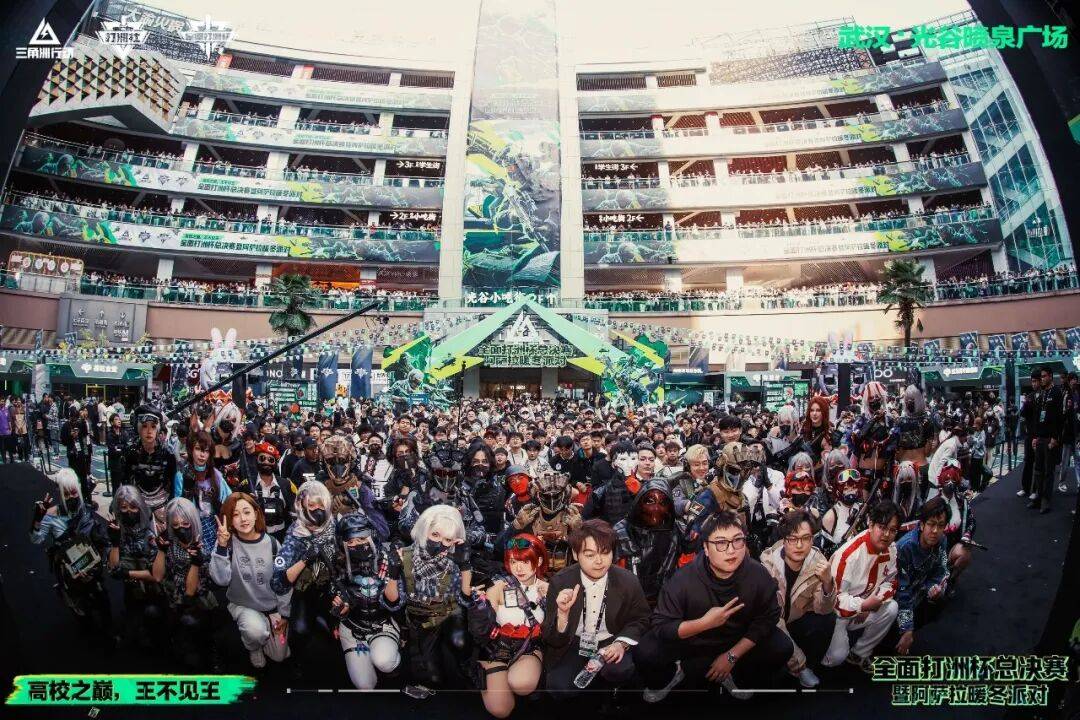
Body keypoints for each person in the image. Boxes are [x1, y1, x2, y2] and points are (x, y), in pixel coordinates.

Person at [635, 510, 793, 702]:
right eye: (721, 543)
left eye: (737, 540)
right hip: (691, 641)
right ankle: (673, 673)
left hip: (736, 638)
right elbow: (661, 626)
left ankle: (739, 674)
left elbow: (768, 617)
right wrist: (704, 623)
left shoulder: (757, 574)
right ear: (706, 548)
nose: (731, 550)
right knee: (646, 651)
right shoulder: (683, 580)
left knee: (782, 647)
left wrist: (732, 656)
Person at [541, 519, 650, 698]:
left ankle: (611, 692)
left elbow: (641, 619)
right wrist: (563, 613)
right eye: (590, 555)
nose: (599, 561)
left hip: (611, 640)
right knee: (558, 686)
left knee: (619, 670)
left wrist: (621, 643)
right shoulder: (561, 582)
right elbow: (551, 638)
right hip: (574, 642)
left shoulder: (627, 580)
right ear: (575, 554)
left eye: (605, 553)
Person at [386, 504, 473, 688]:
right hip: (421, 620)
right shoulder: (405, 556)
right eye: (435, 535)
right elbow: (393, 603)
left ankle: (465, 661)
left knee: (460, 642)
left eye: (447, 539)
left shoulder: (454, 558)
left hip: (449, 613)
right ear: (424, 530)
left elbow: (464, 600)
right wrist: (393, 575)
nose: (440, 543)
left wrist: (465, 567)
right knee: (434, 680)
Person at [30, 468, 114, 647]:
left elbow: (100, 538)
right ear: (60, 493)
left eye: (74, 492)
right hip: (68, 569)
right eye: (66, 494)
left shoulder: (86, 509)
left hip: (91, 563)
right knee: (82, 614)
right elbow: (36, 539)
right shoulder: (51, 515)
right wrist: (37, 519)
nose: (71, 497)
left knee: (103, 600)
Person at [470, 533, 549, 718]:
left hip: (529, 647)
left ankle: (527, 679)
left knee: (521, 683)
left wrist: (549, 602)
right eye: (513, 562)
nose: (519, 568)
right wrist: (479, 607)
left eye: (525, 561)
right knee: (500, 710)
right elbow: (480, 631)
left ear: (538, 561)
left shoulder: (549, 588)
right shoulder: (498, 586)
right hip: (497, 648)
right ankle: (500, 679)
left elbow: (557, 631)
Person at [210, 492, 291, 669]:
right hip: (243, 605)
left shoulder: (273, 544)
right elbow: (220, 580)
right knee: (255, 633)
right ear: (230, 520)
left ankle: (265, 630)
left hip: (271, 607)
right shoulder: (226, 542)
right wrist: (221, 546)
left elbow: (284, 583)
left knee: (279, 656)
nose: (243, 519)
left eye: (246, 512)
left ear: (256, 513)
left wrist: (284, 614)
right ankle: (254, 646)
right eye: (235, 515)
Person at [759, 509, 837, 688]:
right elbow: (771, 617)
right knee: (772, 677)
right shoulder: (767, 565)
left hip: (796, 619)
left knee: (828, 619)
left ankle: (808, 665)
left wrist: (827, 582)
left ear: (812, 539)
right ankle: (798, 667)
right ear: (784, 540)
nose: (799, 545)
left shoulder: (818, 561)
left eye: (805, 538)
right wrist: (799, 662)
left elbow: (824, 609)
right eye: (793, 539)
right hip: (772, 625)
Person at [822, 500, 900, 673]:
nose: (887, 535)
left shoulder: (891, 549)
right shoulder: (849, 555)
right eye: (882, 527)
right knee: (835, 659)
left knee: (892, 608)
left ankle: (859, 653)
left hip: (865, 605)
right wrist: (862, 605)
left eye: (892, 530)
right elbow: (834, 601)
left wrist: (873, 600)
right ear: (870, 524)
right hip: (837, 614)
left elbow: (891, 582)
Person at [271, 480, 339, 677]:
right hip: (304, 591)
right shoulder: (294, 537)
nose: (317, 510)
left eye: (321, 505)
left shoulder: (334, 526)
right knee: (300, 630)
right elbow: (278, 583)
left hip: (331, 589)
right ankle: (296, 660)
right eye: (311, 505)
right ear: (301, 506)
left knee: (336, 634)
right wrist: (304, 559)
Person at [329, 512, 402, 690]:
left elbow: (395, 603)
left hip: (382, 624)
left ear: (371, 536)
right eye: (350, 541)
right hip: (352, 628)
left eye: (361, 539)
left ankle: (392, 660)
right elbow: (332, 595)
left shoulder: (388, 558)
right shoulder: (337, 562)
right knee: (365, 685)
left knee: (384, 661)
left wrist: (394, 574)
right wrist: (340, 608)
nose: (356, 544)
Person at [152, 497, 219, 669]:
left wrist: (196, 562)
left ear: (193, 521)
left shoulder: (204, 542)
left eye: (185, 523)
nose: (181, 528)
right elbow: (157, 576)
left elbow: (191, 591)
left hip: (199, 597)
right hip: (175, 597)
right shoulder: (169, 542)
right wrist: (161, 551)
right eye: (175, 525)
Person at [106, 485, 164, 648]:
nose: (129, 512)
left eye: (133, 507)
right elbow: (113, 569)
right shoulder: (118, 531)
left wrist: (128, 573)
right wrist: (115, 543)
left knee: (152, 618)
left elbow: (157, 575)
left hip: (153, 591)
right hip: (131, 592)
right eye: (124, 508)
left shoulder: (150, 533)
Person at [894, 496, 950, 657]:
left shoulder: (942, 540)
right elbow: (901, 589)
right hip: (897, 597)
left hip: (919, 590)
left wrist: (934, 588)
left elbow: (940, 570)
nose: (935, 531)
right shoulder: (905, 547)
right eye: (931, 524)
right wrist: (907, 629)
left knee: (940, 599)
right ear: (922, 524)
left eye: (941, 525)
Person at [613, 478, 679, 606]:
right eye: (650, 501)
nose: (656, 508)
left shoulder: (676, 531)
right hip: (629, 602)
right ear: (639, 502)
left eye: (663, 503)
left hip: (663, 602)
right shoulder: (621, 532)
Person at [119, 405, 176, 531]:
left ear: (158, 429)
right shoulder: (130, 452)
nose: (149, 431)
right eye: (144, 426)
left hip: (163, 503)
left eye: (153, 427)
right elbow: (125, 480)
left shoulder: (168, 453)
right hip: (137, 503)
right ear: (138, 428)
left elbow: (172, 483)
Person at [174, 430, 232, 551]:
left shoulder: (216, 475)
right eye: (198, 449)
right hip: (191, 527)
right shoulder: (181, 475)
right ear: (190, 450)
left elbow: (228, 498)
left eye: (206, 451)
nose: (202, 455)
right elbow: (178, 508)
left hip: (214, 525)